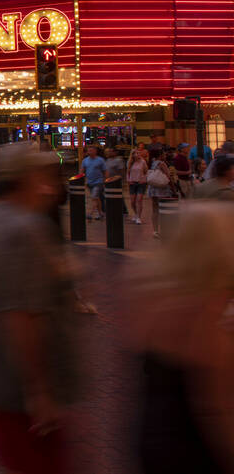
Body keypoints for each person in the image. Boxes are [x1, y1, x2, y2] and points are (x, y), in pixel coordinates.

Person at [0, 142, 79, 474]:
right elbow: (20, 316)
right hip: (24, 396)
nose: (52, 184)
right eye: (44, 174)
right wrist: (39, 391)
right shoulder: (25, 230)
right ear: (27, 178)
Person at [130, 202, 234, 474]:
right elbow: (215, 407)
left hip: (152, 433)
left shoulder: (151, 293)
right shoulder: (208, 310)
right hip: (195, 448)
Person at [146, 149, 175, 239]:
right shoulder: (162, 164)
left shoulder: (152, 163)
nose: (165, 156)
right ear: (160, 155)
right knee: (163, 209)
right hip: (161, 189)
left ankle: (155, 230)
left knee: (155, 209)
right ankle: (164, 229)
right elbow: (168, 176)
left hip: (153, 188)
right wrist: (173, 189)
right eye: (164, 154)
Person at [79, 145, 105, 221]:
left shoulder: (100, 160)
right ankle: (100, 213)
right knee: (97, 198)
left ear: (95, 151)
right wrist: (80, 179)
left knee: (94, 197)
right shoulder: (85, 161)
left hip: (98, 182)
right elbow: (82, 170)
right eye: (88, 150)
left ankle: (90, 213)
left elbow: (105, 171)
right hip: (89, 182)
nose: (89, 152)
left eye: (91, 150)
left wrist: (105, 180)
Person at [127, 144, 149, 224]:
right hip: (132, 183)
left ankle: (139, 217)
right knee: (132, 201)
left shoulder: (143, 162)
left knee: (139, 200)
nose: (137, 154)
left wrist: (144, 180)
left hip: (141, 183)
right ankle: (135, 214)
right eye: (136, 153)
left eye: (138, 153)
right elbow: (128, 173)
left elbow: (146, 172)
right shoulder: (130, 163)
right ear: (132, 155)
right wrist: (129, 180)